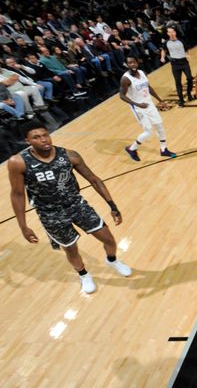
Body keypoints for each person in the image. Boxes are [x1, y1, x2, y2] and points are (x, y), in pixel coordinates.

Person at [8, 120, 132, 294]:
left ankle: (112, 260)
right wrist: (23, 226)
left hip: (77, 205)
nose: (43, 140)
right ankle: (83, 274)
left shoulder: (69, 155)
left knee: (109, 239)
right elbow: (17, 194)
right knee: (71, 249)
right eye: (36, 137)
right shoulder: (18, 162)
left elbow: (94, 179)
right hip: (50, 213)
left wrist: (112, 205)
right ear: (27, 141)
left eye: (45, 135)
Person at [119, 56, 176, 161]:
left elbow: (148, 87)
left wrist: (160, 100)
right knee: (148, 132)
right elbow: (122, 96)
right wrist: (137, 104)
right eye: (130, 63)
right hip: (139, 108)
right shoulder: (125, 79)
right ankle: (132, 149)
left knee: (160, 127)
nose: (132, 65)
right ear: (127, 65)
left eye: (134, 62)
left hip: (150, 105)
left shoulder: (142, 73)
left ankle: (163, 150)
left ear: (137, 62)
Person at [159, 27, 194, 107]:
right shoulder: (166, 42)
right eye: (169, 32)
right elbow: (163, 50)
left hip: (184, 62)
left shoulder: (181, 41)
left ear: (175, 32)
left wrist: (187, 55)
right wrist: (162, 57)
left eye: (173, 31)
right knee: (178, 83)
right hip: (175, 64)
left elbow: (186, 50)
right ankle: (181, 100)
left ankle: (189, 94)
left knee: (189, 78)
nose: (171, 33)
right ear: (167, 33)